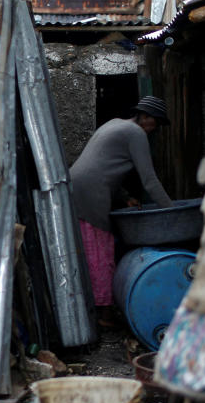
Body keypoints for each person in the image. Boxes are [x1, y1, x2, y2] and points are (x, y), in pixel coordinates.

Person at [70, 96, 174, 323]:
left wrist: (125, 196)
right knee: (101, 251)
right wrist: (171, 211)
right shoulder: (136, 133)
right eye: (154, 122)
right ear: (144, 116)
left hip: (77, 185)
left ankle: (95, 310)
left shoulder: (114, 123)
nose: (154, 129)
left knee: (89, 250)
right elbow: (149, 181)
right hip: (91, 192)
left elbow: (102, 167)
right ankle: (104, 314)